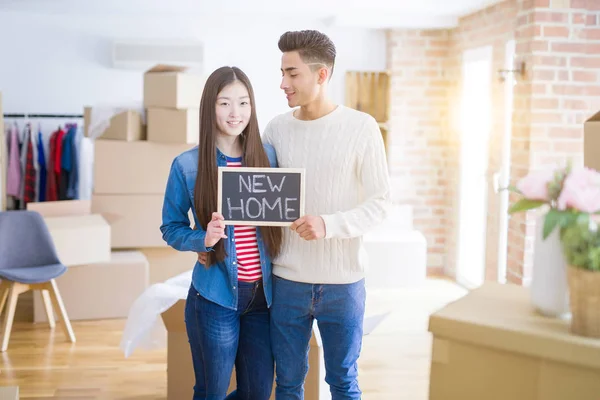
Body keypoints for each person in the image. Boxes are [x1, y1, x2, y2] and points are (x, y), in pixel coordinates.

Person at [263, 30, 391, 399]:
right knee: (287, 384)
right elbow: (264, 198)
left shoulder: (361, 128)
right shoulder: (276, 129)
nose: (283, 83)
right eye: (282, 73)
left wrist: (329, 224)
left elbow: (380, 202)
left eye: (292, 73)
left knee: (343, 382)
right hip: (287, 281)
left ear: (321, 75)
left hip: (344, 284)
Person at [160, 66, 282, 400]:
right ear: (209, 108)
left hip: (263, 298)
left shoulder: (269, 157)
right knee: (211, 391)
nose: (235, 113)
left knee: (257, 392)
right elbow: (170, 228)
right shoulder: (187, 165)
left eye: (243, 103)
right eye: (225, 103)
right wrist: (203, 239)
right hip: (214, 298)